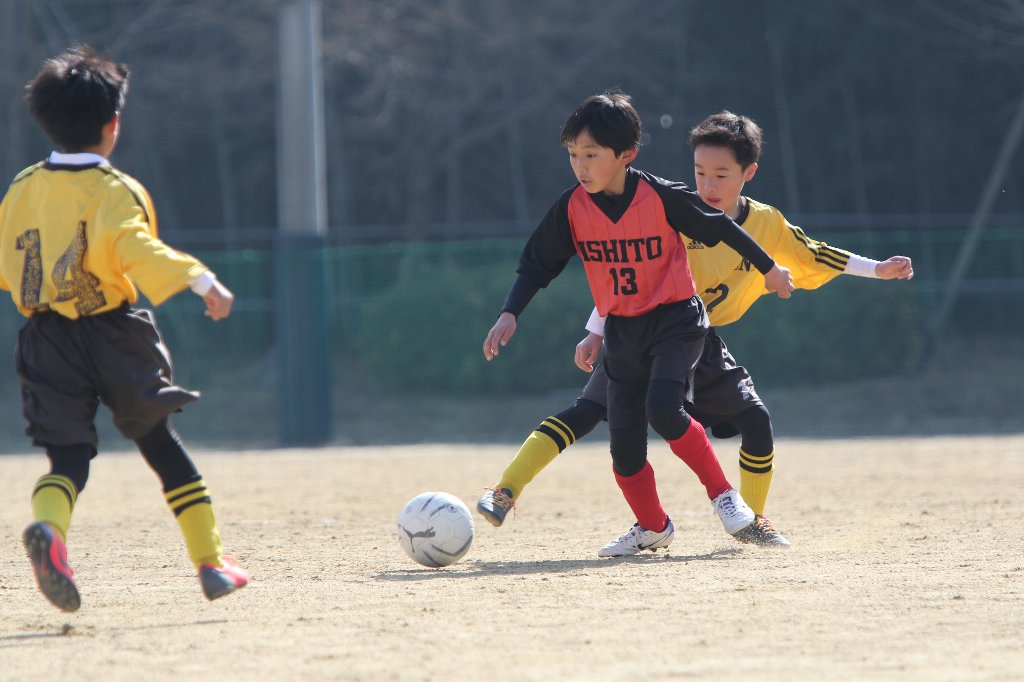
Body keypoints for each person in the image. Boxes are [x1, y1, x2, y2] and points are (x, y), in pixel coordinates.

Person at [478, 111, 914, 546]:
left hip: (688, 332)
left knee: (749, 418)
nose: (708, 184)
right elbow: (622, 274)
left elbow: (813, 252)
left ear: (748, 173)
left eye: (721, 174)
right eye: (700, 172)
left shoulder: (754, 221)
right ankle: (531, 495)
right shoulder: (662, 211)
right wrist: (592, 327)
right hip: (632, 331)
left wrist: (875, 268)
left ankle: (750, 518)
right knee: (596, 419)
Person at [482, 93, 795, 558]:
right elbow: (536, 265)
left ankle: (726, 498)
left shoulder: (661, 196)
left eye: (591, 155)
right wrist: (510, 312)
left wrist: (769, 268)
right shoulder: (571, 209)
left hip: (676, 320)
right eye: (573, 154)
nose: (580, 166)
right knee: (624, 449)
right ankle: (652, 527)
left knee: (664, 410)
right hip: (623, 331)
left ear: (626, 154)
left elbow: (721, 227)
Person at [0, 45, 248, 612]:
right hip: (114, 335)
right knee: (161, 444)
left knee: (66, 458)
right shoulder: (115, 190)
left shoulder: (22, 188)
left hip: (45, 339)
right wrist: (200, 279)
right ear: (113, 125)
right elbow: (137, 247)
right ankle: (211, 562)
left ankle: (49, 532)